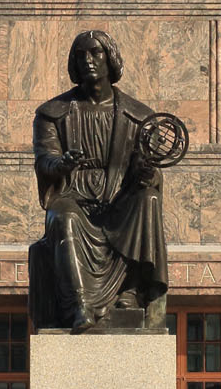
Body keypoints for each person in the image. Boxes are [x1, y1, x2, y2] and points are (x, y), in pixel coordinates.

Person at [27, 30, 172, 332]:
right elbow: (45, 160)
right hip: (74, 196)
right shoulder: (51, 114)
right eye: (81, 55)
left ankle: (131, 291)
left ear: (111, 59)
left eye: (96, 53)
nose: (88, 61)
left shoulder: (138, 117)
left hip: (118, 201)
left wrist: (147, 172)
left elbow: (148, 170)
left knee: (149, 198)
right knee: (62, 215)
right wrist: (61, 164)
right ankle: (80, 306)